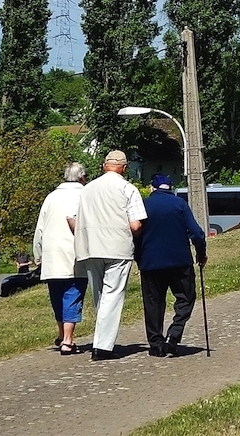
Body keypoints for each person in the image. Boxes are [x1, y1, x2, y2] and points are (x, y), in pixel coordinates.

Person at [73, 150, 146, 361]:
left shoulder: (87, 189)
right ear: (124, 167)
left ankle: (101, 340)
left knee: (100, 296)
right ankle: (103, 347)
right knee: (112, 295)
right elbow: (135, 224)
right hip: (117, 247)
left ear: (105, 166)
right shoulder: (127, 188)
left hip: (90, 247)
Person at [137, 173, 207, 357]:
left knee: (153, 303)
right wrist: (201, 254)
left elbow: (135, 233)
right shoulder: (179, 204)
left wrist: (138, 257)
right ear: (170, 188)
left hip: (150, 262)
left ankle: (155, 344)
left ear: (152, 187)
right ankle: (173, 335)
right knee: (186, 297)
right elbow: (197, 234)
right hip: (179, 262)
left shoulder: (144, 205)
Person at [30, 162, 88, 355]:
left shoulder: (51, 197)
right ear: (82, 177)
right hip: (75, 254)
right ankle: (67, 341)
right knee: (72, 295)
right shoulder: (85, 195)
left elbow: (40, 229)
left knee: (57, 297)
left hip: (52, 255)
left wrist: (38, 255)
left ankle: (62, 335)